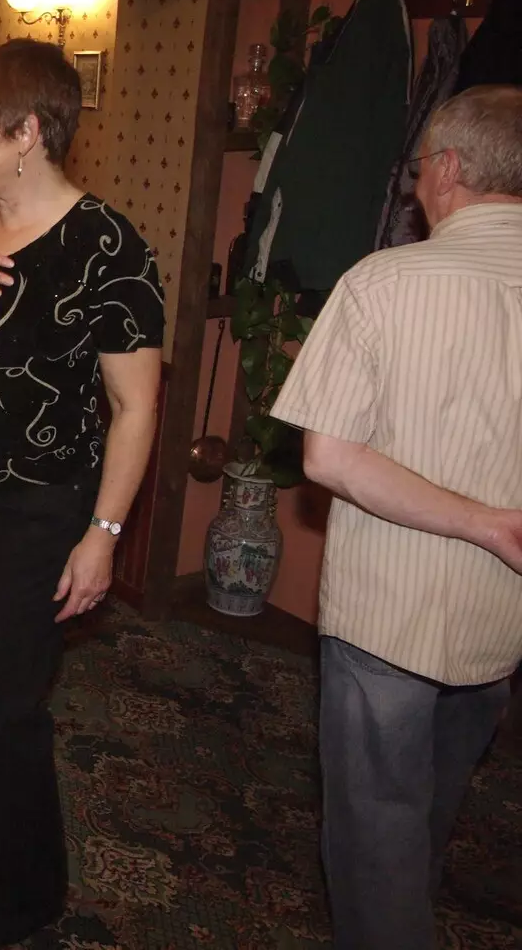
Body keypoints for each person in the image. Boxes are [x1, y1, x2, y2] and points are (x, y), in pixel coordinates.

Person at [0, 39, 165, 947]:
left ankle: (32, 888)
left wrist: (104, 534)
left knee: (8, 704)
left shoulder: (107, 247)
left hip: (44, 507)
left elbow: (135, 410)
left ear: (27, 133)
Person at [267, 85, 522, 950]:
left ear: (448, 170)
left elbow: (328, 458)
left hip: (389, 613)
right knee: (430, 818)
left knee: (377, 838)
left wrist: (484, 518)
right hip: (503, 615)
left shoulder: (382, 283)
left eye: (419, 170)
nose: (416, 187)